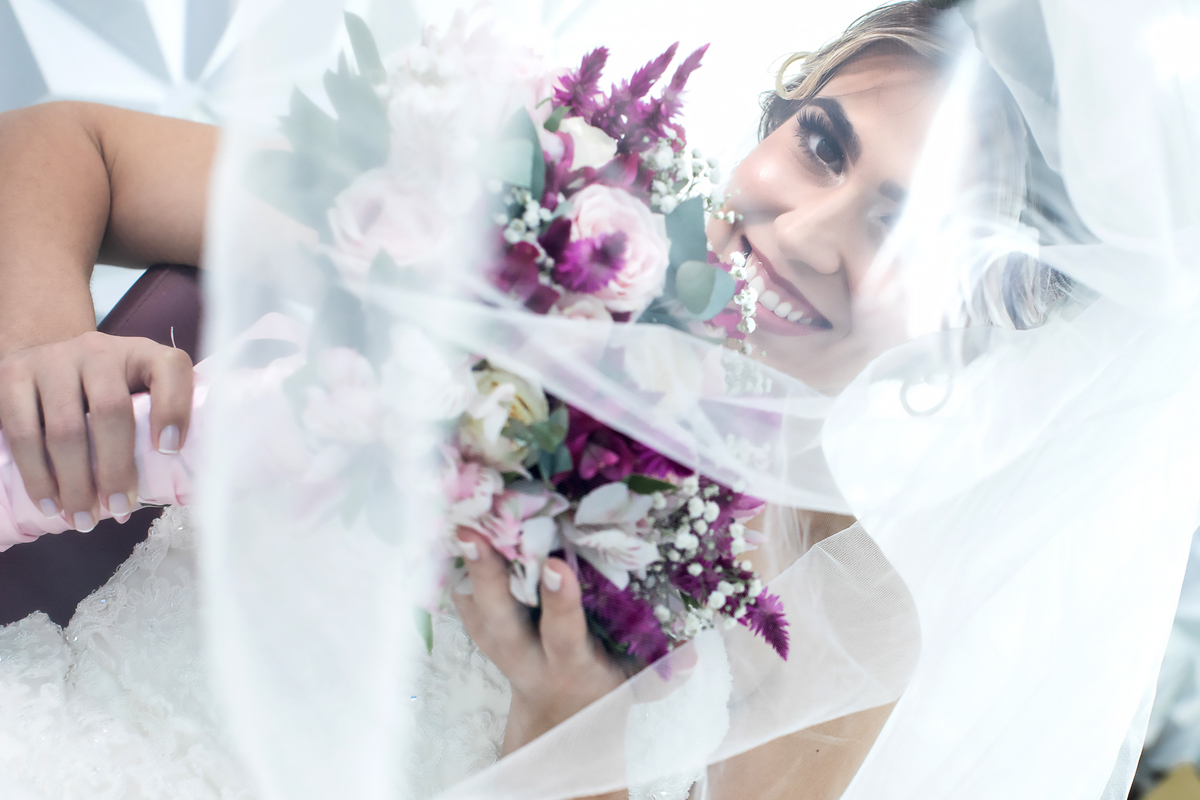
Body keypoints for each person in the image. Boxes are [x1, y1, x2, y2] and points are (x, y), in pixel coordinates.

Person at [0, 2, 1198, 800]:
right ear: (778, 113)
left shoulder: (854, 628)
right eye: (824, 146)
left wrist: (571, 733)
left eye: (909, 234)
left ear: (974, 328)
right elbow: (72, 147)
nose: (808, 233)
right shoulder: (499, 233)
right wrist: (52, 347)